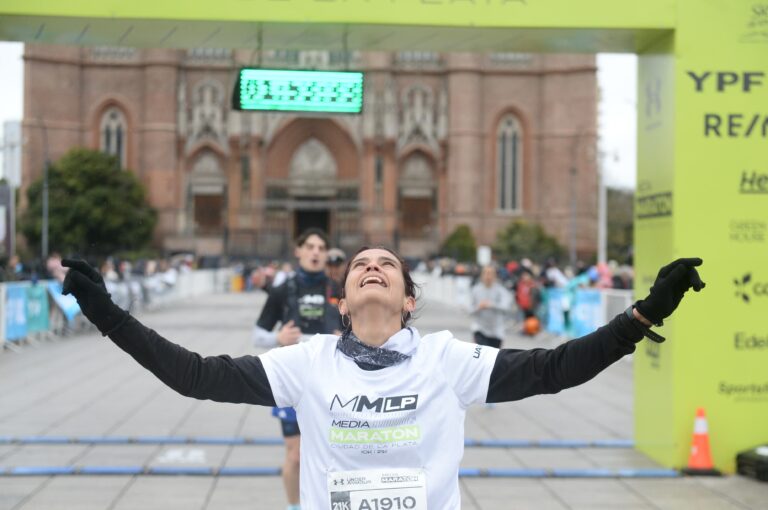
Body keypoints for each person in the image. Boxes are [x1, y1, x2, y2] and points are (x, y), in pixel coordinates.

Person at [61, 252, 705, 509]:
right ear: (340, 301)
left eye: (387, 265)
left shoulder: (446, 359)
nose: (372, 266)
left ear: (408, 302)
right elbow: (196, 377)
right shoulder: (308, 361)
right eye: (361, 265)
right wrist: (108, 316)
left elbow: (552, 370)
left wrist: (640, 316)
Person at [251, 228, 342, 510]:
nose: (316, 252)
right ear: (298, 251)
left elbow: (363, 332)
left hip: (332, 382)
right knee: (296, 456)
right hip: (293, 380)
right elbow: (258, 334)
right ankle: (295, 507)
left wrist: (346, 338)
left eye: (321, 248)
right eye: (310, 247)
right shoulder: (282, 290)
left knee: (334, 456)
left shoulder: (340, 291)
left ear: (326, 255)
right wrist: (277, 339)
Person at [469, 264, 512, 349]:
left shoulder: (501, 290)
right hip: (480, 329)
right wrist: (479, 307)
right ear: (482, 275)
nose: (488, 276)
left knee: (492, 359)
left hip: (496, 331)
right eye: (486, 273)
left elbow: (506, 307)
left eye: (490, 273)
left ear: (495, 276)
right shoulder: (475, 290)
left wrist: (492, 305)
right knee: (481, 357)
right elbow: (469, 310)